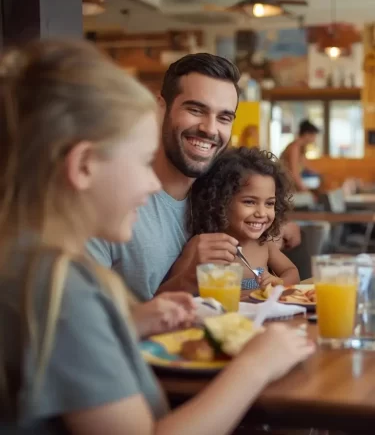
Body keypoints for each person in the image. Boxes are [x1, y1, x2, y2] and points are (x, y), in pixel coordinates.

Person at [0, 40, 313, 435]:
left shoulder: (27, 258)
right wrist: (256, 365)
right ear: (83, 166)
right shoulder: (62, 284)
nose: (151, 183)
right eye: (140, 161)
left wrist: (127, 322)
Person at [87, 52, 301, 301]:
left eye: (224, 117)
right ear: (160, 108)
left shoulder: (216, 189)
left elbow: (254, 206)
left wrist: (282, 225)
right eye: (196, 109)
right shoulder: (106, 201)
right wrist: (190, 277)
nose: (210, 129)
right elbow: (84, 317)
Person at [182, 147, 300, 289]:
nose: (262, 213)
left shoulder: (264, 245)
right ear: (220, 201)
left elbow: (292, 272)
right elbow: (175, 288)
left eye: (269, 203)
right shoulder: (202, 246)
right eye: (249, 202)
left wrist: (278, 282)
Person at [280, 119, 320, 192]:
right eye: (314, 136)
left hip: (291, 184)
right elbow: (294, 172)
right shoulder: (295, 147)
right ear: (306, 134)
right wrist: (303, 188)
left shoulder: (301, 148)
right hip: (285, 185)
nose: (315, 139)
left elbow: (305, 166)